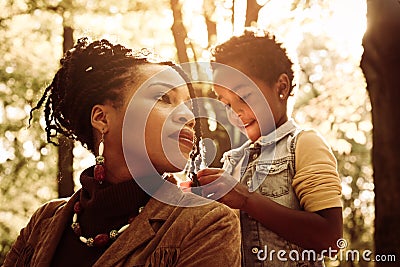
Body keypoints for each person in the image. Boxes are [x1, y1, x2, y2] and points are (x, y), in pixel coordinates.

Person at [3, 38, 241, 266]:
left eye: (188, 106)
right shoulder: (43, 222)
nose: (189, 118)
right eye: (164, 98)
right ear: (102, 118)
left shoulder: (205, 222)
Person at [196, 30, 343, 266]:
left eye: (244, 97)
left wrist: (247, 200)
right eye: (226, 103)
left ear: (281, 87)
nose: (236, 112)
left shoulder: (304, 144)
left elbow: (331, 239)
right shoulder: (232, 162)